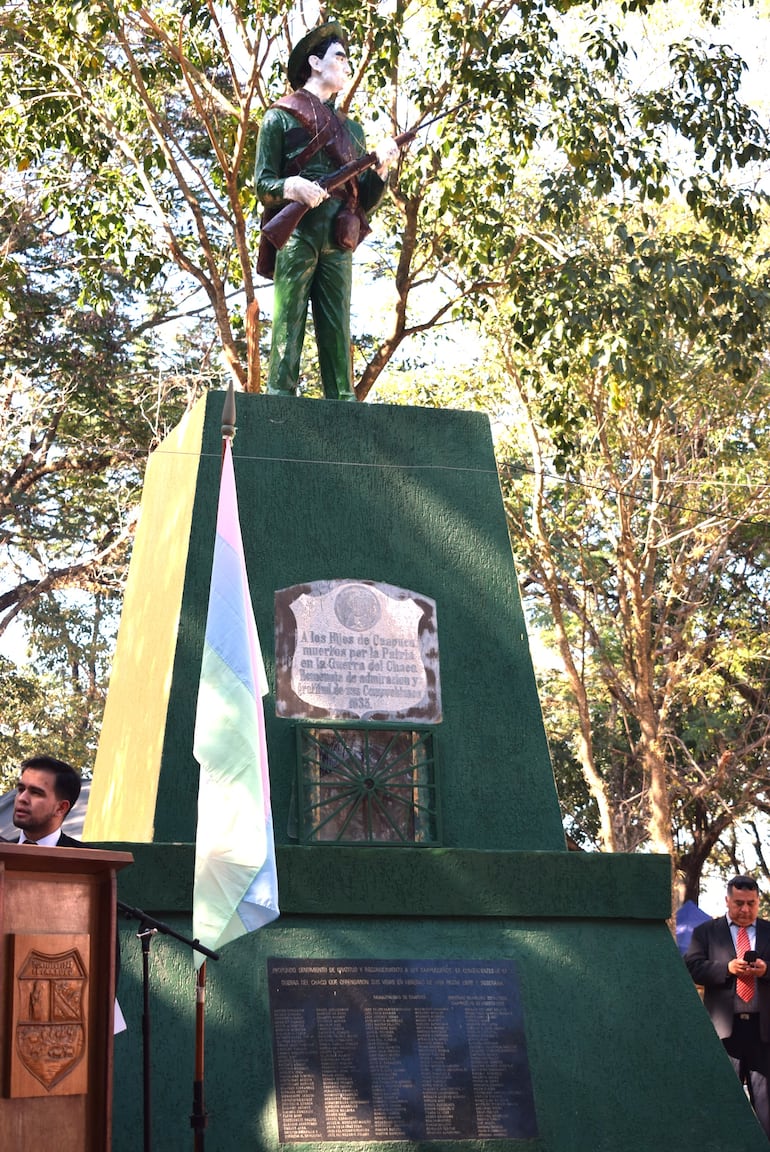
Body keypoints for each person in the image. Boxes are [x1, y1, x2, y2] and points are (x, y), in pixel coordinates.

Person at [255, 22, 399, 400]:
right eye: (340, 56)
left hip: (338, 233)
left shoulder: (352, 130)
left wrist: (381, 169)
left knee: (338, 325)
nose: (347, 65)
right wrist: (292, 186)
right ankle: (279, 397)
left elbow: (363, 199)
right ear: (315, 62)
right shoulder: (280, 117)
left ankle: (343, 400)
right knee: (288, 318)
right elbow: (262, 184)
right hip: (298, 230)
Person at [685, 874, 770, 1138]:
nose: (745, 910)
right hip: (724, 1032)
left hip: (763, 1033)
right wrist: (727, 968)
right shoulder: (706, 932)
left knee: (767, 1105)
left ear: (758, 902)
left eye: (751, 903)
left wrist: (766, 970)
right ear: (727, 901)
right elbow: (692, 967)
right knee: (723, 1101)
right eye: (739, 903)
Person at [12, 754, 83, 846]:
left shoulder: (90, 858)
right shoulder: (3, 850)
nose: (22, 798)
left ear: (61, 808)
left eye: (36, 793)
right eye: (21, 789)